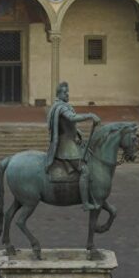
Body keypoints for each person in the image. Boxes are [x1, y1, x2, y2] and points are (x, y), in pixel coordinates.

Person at [43, 81, 100, 211]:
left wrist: (77, 132)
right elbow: (72, 118)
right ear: (59, 94)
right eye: (64, 92)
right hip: (66, 147)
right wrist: (90, 115)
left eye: (67, 92)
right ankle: (85, 203)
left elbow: (68, 125)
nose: (67, 94)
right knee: (84, 171)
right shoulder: (61, 107)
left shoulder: (61, 105)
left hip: (70, 142)